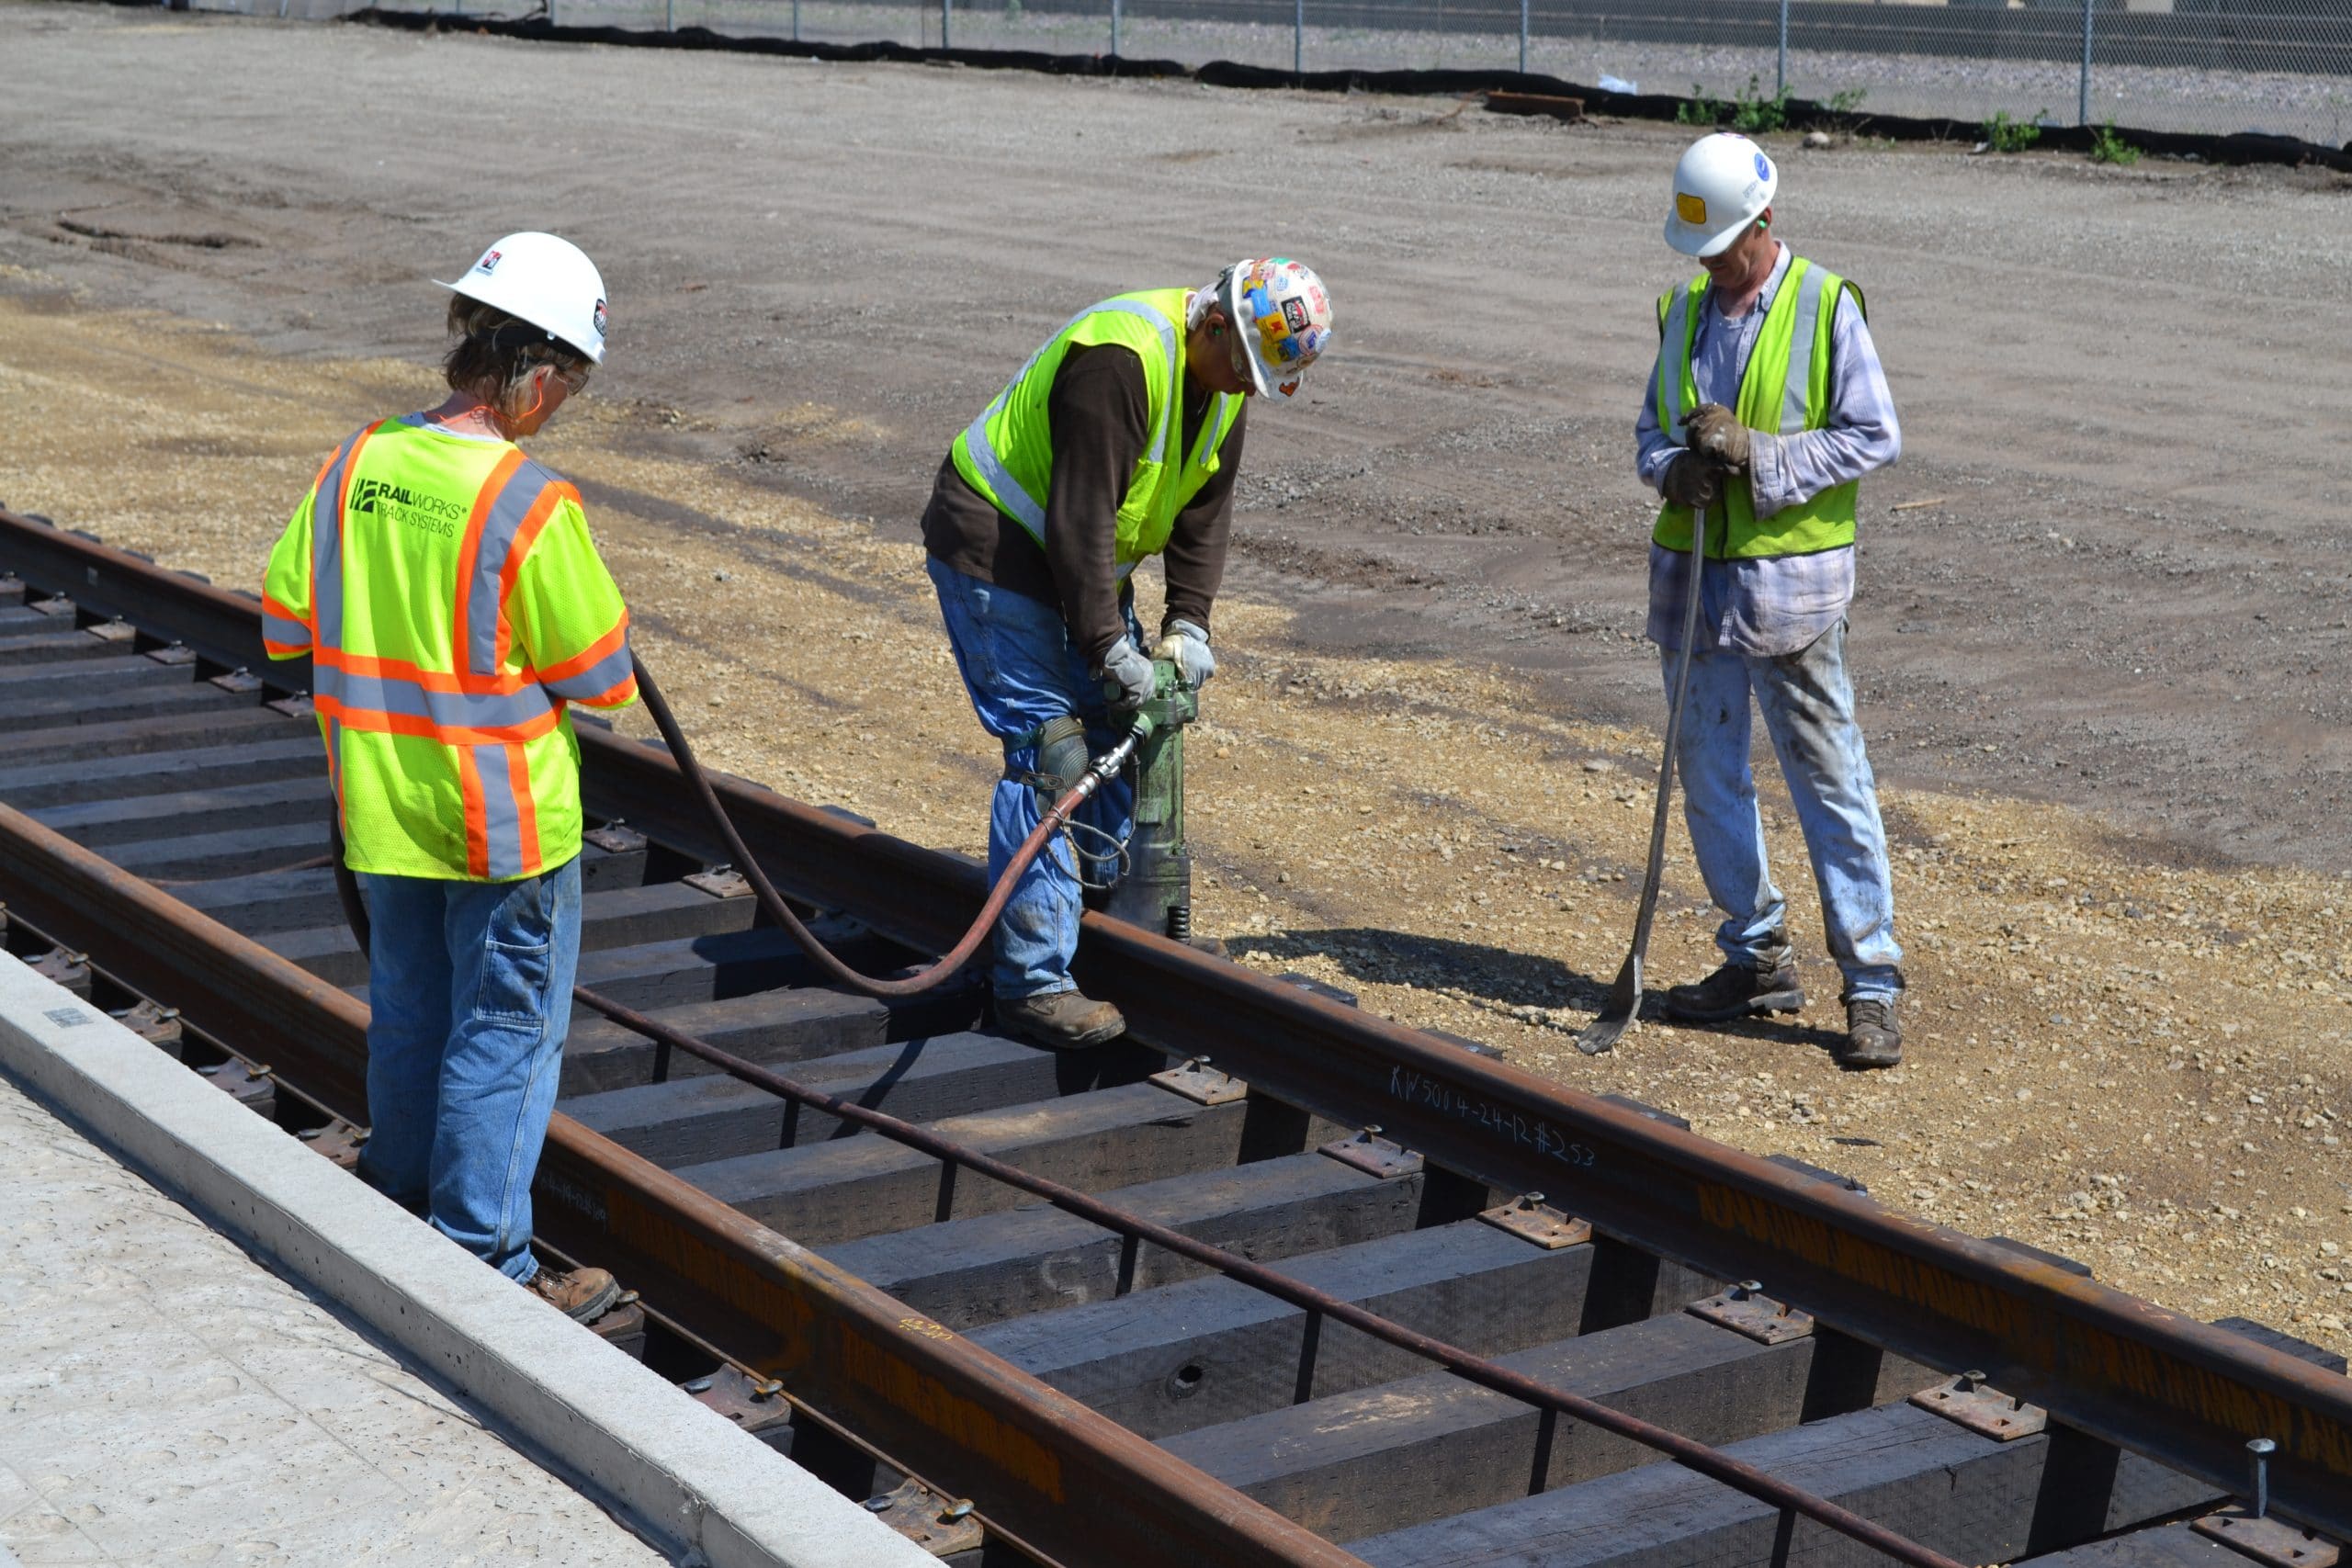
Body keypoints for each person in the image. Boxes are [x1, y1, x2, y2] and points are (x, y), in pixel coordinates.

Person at [262, 231, 638, 1315]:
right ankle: (483, 1264)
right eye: (570, 382)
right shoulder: (529, 503)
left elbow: (287, 625)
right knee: (506, 1031)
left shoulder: (358, 461)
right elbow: (602, 678)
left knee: (413, 1013)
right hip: (504, 827)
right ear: (536, 370)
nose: (564, 405)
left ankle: (398, 1193)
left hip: (379, 811)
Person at [923, 258, 1334, 1050]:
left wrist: (1189, 624)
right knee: (1052, 751)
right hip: (997, 544)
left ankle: (1114, 926)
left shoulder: (1221, 388)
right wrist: (1110, 647)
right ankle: (1033, 981)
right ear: (1214, 322)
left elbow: (1203, 514)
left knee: (1131, 729)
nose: (1251, 387)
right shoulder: (1122, 360)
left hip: (1075, 563)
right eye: (1247, 367)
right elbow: (1081, 518)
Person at [1633, 134, 1907, 1070]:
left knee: (1829, 783)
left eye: (1724, 247)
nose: (1709, 263)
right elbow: (1646, 432)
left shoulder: (1825, 305)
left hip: (1792, 594)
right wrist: (1673, 472)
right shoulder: (1680, 310)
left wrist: (1761, 456)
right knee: (1710, 777)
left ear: (1765, 223)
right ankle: (1753, 957)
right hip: (1692, 588)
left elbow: (1874, 436)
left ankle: (1871, 981)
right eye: (1699, 249)